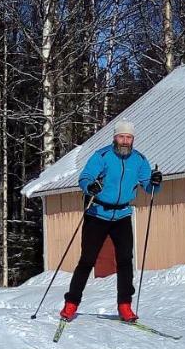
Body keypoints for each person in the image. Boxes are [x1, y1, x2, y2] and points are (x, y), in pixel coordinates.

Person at [60, 121, 162, 321]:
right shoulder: (102, 156)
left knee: (125, 261)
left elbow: (149, 188)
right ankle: (71, 304)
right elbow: (84, 178)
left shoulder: (140, 160)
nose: (125, 141)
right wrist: (91, 187)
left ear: (133, 139)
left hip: (122, 215)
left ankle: (125, 306)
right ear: (115, 137)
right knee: (87, 260)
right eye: (121, 137)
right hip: (97, 213)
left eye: (129, 138)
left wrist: (156, 182)